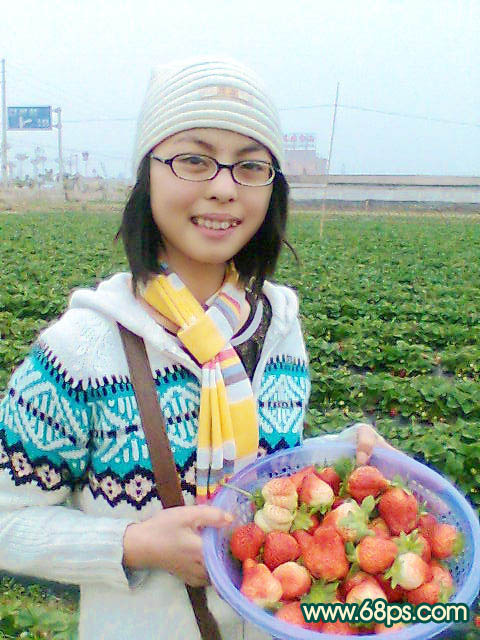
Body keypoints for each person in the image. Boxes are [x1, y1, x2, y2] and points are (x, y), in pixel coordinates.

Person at [0, 57, 393, 640]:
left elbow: (267, 471)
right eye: (194, 159)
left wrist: (344, 453)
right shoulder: (79, 350)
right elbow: (7, 520)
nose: (224, 188)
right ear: (148, 175)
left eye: (251, 166)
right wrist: (132, 543)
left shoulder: (280, 326)